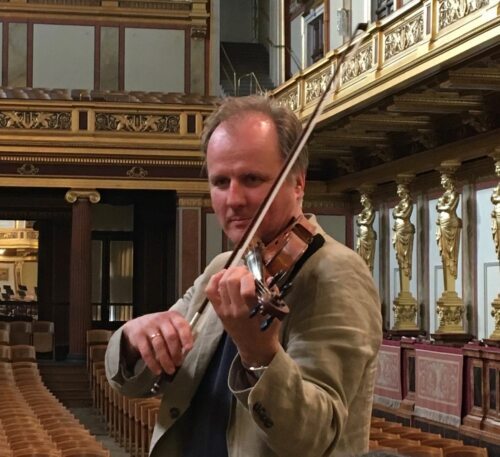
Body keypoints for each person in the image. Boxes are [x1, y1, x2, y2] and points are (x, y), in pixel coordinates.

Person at [105, 95, 382, 457]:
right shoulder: (224, 266)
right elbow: (141, 380)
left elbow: (317, 436)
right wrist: (135, 338)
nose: (233, 199)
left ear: (298, 183)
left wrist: (259, 353)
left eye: (252, 179)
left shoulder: (334, 272)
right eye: (221, 181)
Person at [436, 172, 462, 278]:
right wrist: (442, 205)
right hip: (443, 223)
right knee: (444, 253)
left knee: (451, 253)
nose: (442, 183)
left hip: (451, 223)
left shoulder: (454, 194)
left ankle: (452, 271)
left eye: (444, 180)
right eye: (441, 180)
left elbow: (449, 208)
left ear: (450, 181)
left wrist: (442, 205)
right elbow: (439, 207)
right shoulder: (445, 195)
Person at [392, 183, 415, 279]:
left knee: (406, 256)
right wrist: (397, 212)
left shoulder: (409, 202)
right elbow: (394, 213)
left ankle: (407, 271)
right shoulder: (401, 204)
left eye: (400, 190)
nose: (398, 192)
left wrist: (397, 212)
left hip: (405, 230)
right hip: (398, 230)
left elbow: (404, 215)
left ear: (405, 190)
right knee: (400, 255)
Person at [356, 192, 377, 273]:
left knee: (368, 259)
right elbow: (358, 221)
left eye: (362, 199)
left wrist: (361, 220)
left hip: (367, 235)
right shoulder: (364, 211)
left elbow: (368, 222)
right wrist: (361, 220)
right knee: (360, 256)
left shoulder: (371, 210)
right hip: (361, 236)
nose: (361, 201)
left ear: (367, 199)